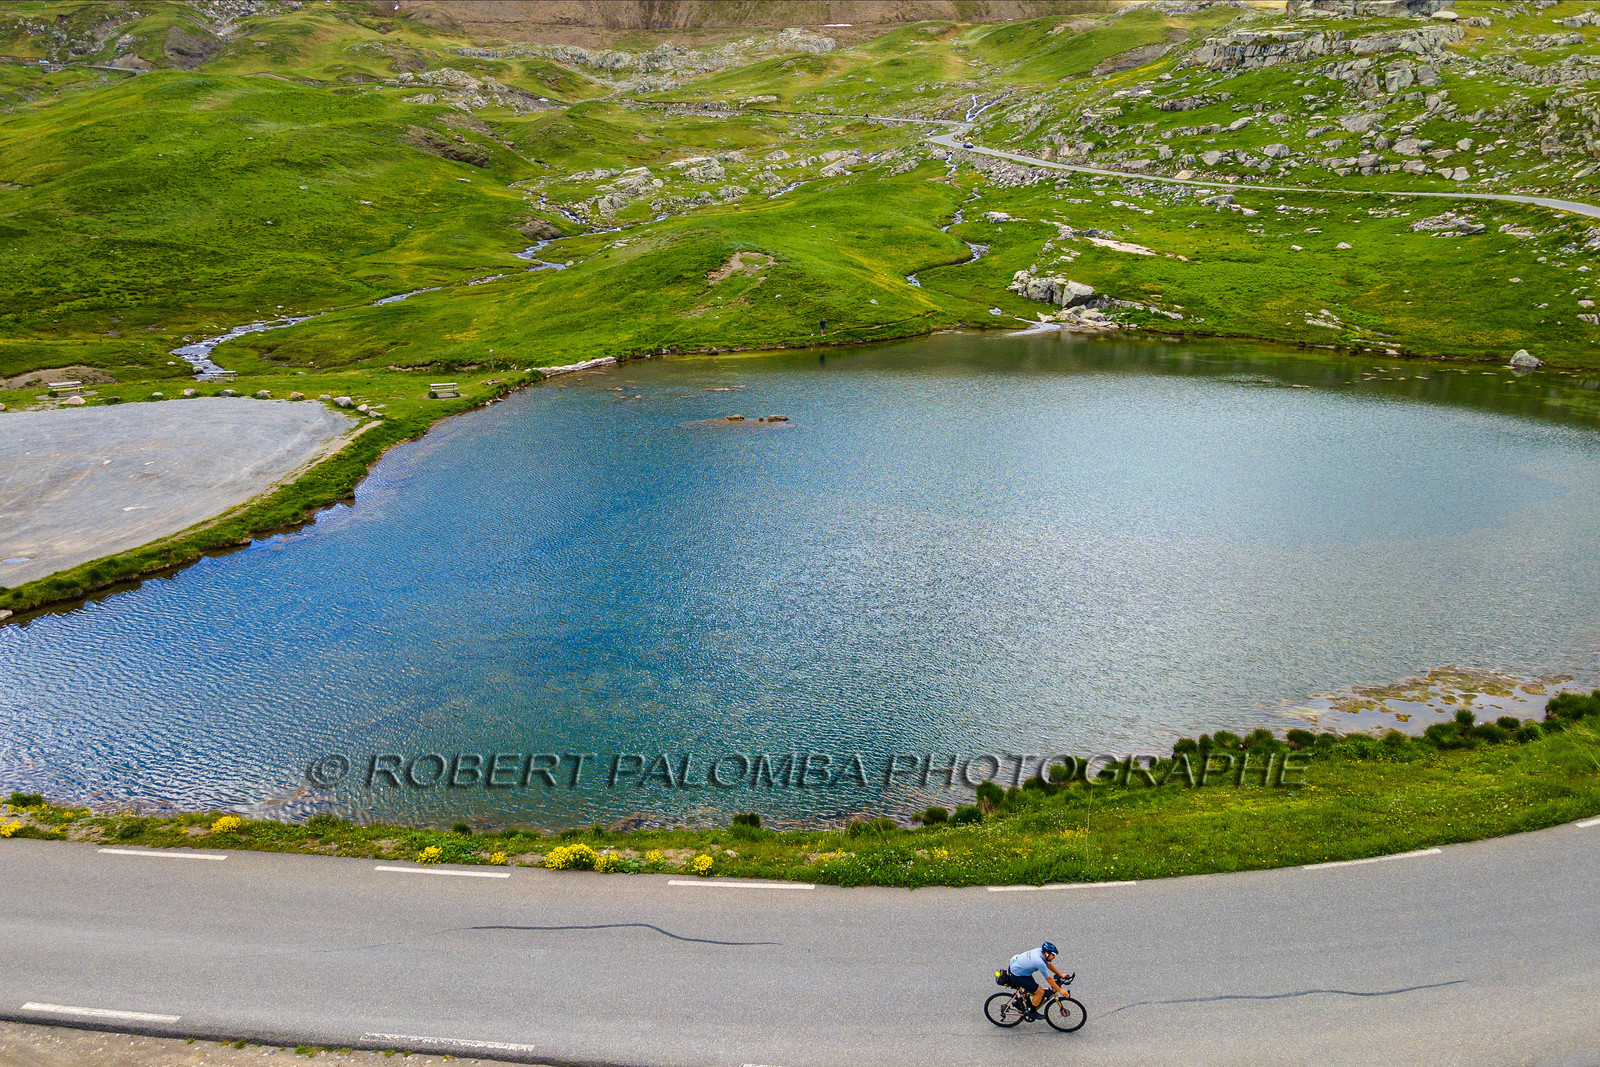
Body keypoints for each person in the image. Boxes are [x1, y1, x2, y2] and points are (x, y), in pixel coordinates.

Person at [1005, 941, 1069, 1019]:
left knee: (1033, 987)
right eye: (1053, 955)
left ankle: (1019, 1003)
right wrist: (1060, 990)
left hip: (1019, 969)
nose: (1054, 957)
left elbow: (1048, 964)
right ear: (1046, 954)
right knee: (1039, 992)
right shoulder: (1038, 962)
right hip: (1017, 975)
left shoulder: (1040, 951)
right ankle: (1032, 1013)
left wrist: (1060, 974)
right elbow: (1049, 979)